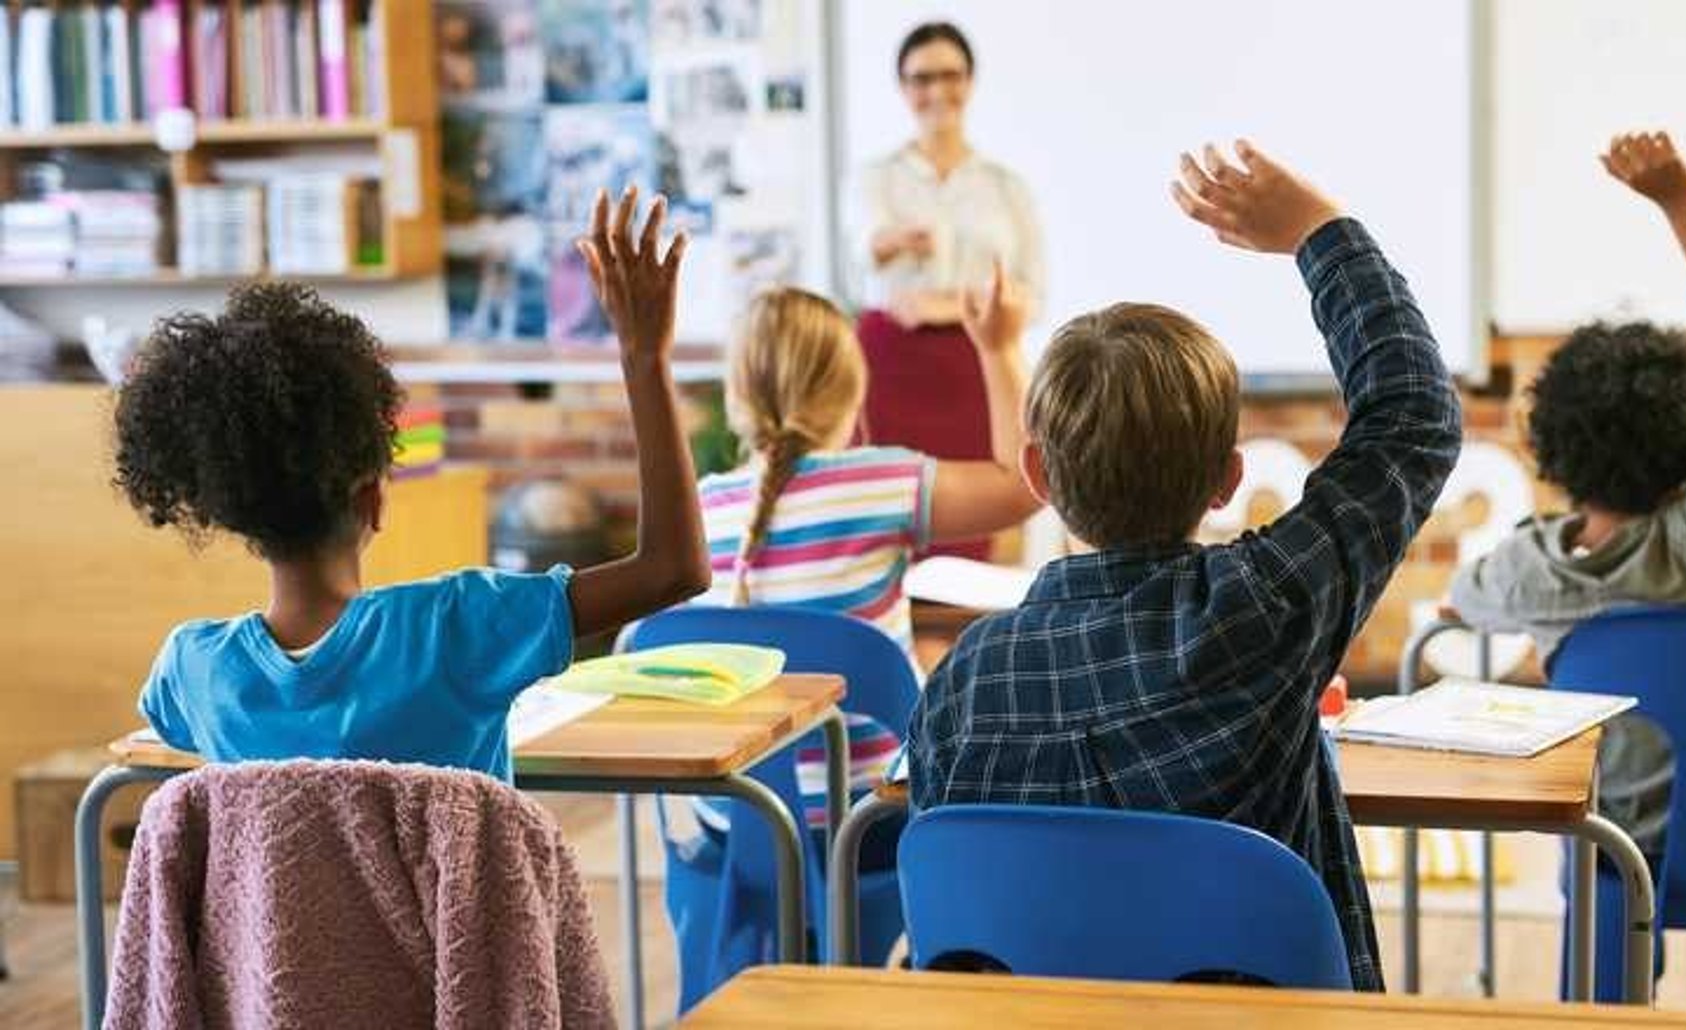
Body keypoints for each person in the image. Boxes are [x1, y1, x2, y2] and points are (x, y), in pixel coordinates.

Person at [909, 138, 1464, 990]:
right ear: (1228, 482)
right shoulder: (1262, 613)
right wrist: (1320, 229)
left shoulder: (962, 684)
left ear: (1036, 478)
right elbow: (1414, 415)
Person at [118, 189, 710, 781]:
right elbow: (675, 569)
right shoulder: (455, 629)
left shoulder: (193, 669)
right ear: (370, 500)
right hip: (459, 880)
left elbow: (171, 725)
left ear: (233, 514)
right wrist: (643, 355)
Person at [1450, 132, 1686, 901]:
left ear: (1551, 449)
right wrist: (1680, 198)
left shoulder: (1529, 572)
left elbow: (1465, 599)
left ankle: (1614, 1003)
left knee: (1593, 848)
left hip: (1618, 845)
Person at [681, 265, 1039, 854]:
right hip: (866, 824)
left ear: (735, 395)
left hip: (735, 825)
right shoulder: (882, 484)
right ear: (852, 389)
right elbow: (1025, 481)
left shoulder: (700, 510)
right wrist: (999, 349)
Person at [852, 21, 1045, 560]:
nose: (937, 91)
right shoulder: (873, 179)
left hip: (976, 361)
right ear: (902, 87)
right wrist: (887, 244)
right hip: (888, 365)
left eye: (951, 76)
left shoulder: (1006, 187)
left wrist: (949, 303)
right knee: (883, 511)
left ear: (971, 81)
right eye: (922, 78)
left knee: (977, 515)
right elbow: (852, 266)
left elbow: (1032, 291)